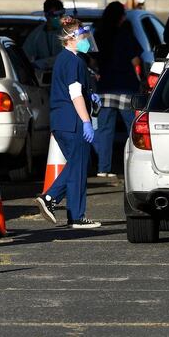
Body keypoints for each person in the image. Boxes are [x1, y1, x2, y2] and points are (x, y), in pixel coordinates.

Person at [35, 16, 101, 229]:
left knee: (77, 165)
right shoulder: (73, 60)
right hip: (73, 122)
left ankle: (75, 215)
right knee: (78, 165)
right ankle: (51, 198)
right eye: (83, 36)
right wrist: (86, 120)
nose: (86, 40)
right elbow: (74, 94)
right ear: (71, 38)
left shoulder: (66, 59)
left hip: (62, 121)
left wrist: (90, 95)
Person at [92, 1, 143, 177]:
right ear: (121, 17)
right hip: (126, 87)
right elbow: (135, 61)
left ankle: (103, 168)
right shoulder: (125, 34)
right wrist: (141, 78)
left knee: (105, 130)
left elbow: (93, 60)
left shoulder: (98, 35)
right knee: (132, 129)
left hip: (105, 87)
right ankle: (135, 165)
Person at [23, 0, 65, 71]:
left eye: (61, 15)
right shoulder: (36, 35)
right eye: (54, 15)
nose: (59, 18)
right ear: (46, 15)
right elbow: (25, 56)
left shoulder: (69, 32)